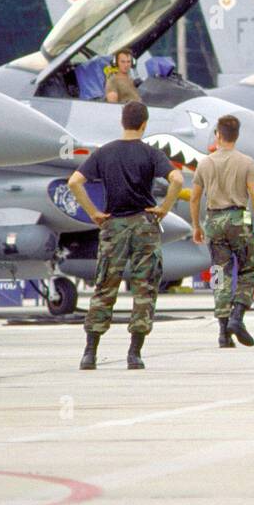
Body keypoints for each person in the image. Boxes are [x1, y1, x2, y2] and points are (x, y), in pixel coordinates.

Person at [67, 101, 183, 370]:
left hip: (113, 225)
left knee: (105, 286)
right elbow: (176, 179)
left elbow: (74, 182)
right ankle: (134, 353)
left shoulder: (104, 153)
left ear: (122, 122)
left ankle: (90, 352)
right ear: (144, 124)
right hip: (144, 224)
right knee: (144, 288)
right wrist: (164, 208)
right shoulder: (152, 154)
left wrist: (94, 213)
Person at [190, 115, 254, 348]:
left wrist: (196, 226)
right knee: (249, 271)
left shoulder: (205, 163)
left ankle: (223, 333)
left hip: (213, 220)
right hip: (238, 218)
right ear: (237, 136)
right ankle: (237, 317)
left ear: (218, 135)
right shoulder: (246, 162)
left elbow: (194, 197)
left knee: (219, 275)